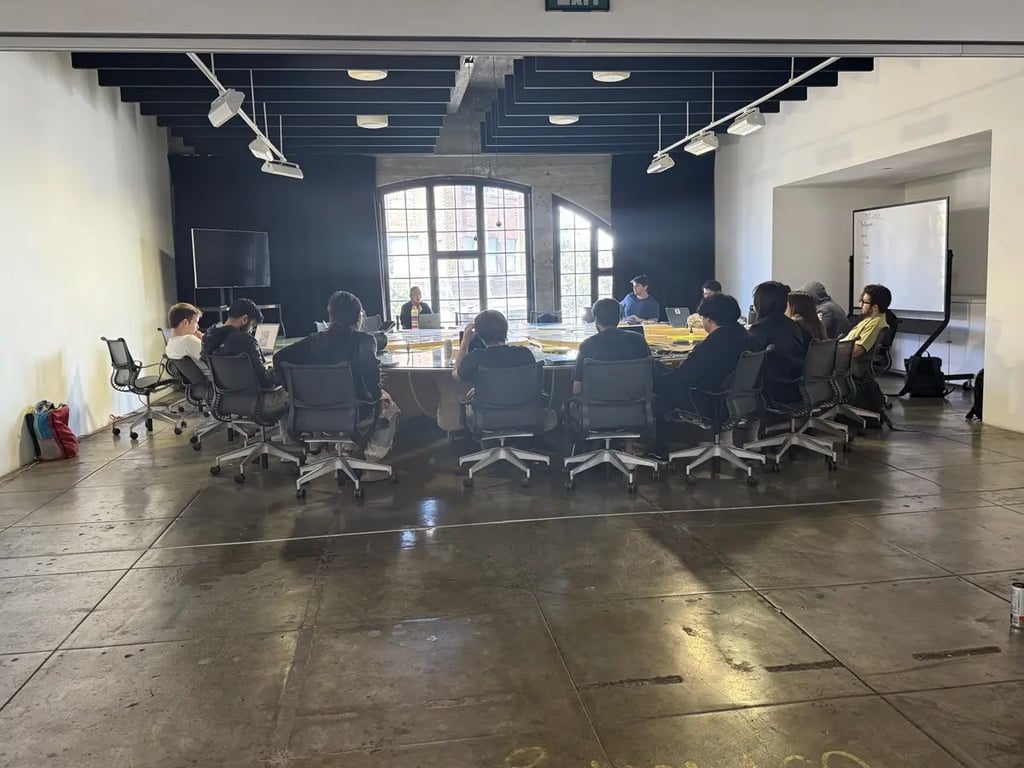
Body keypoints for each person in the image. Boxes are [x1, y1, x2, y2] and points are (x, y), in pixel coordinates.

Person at [654, 294, 758, 454]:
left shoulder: (713, 345)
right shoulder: (746, 337)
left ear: (709, 319)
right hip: (739, 399)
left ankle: (658, 451)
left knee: (659, 394)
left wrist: (655, 379)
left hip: (710, 401)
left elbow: (684, 377)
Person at [273, 291, 385, 408]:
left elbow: (278, 358)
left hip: (312, 411)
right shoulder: (365, 341)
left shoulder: (313, 341)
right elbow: (372, 379)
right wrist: (378, 396)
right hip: (354, 413)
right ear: (358, 317)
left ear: (331, 315)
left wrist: (294, 392)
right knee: (389, 404)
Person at [202, 298, 289, 417]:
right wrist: (277, 371)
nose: (251, 330)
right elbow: (264, 380)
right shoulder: (246, 341)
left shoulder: (208, 339)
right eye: (252, 325)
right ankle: (292, 434)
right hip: (256, 401)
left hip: (223, 399)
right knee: (293, 391)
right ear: (244, 319)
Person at [572, 298, 653, 395]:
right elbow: (652, 379)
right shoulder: (638, 340)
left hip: (596, 407)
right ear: (618, 318)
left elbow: (576, 389)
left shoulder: (587, 345)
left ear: (596, 319)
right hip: (636, 406)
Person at [748, 281, 808, 404]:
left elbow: (747, 362)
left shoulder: (759, 330)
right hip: (796, 386)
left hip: (770, 390)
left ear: (759, 303)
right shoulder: (794, 326)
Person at [453, 309, 535, 385]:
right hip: (525, 400)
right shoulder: (525, 354)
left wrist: (465, 342)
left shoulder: (475, 358)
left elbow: (456, 376)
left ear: (479, 334)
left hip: (486, 399)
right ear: (506, 329)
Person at [844, 284, 892, 379]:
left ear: (875, 307)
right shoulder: (869, 320)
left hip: (847, 367)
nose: (860, 305)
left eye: (864, 302)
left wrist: (832, 350)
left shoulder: (875, 324)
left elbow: (856, 351)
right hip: (844, 362)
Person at [165, 302, 208, 376]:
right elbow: (214, 359)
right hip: (215, 380)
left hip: (199, 384)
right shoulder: (188, 340)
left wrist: (199, 340)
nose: (197, 327)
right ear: (185, 323)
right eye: (196, 322)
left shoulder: (170, 345)